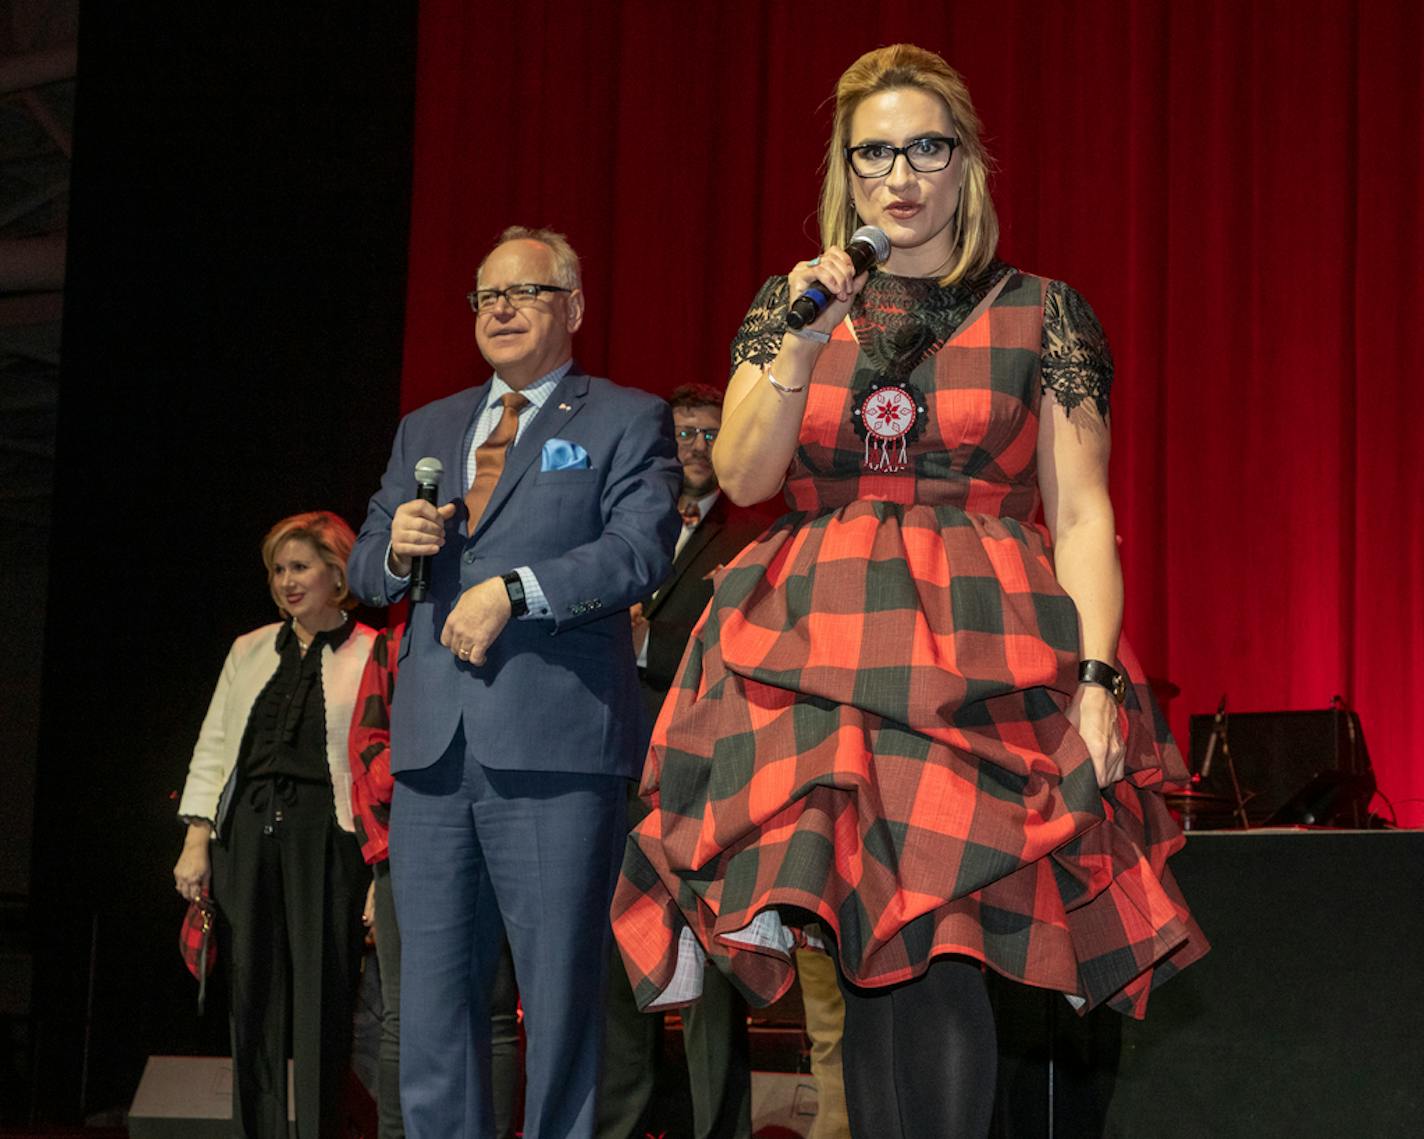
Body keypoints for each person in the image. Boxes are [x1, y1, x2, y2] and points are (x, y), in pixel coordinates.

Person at [613, 44, 1208, 1138]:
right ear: (844, 172)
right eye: (873, 151)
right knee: (873, 960)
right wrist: (794, 336)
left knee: (936, 945)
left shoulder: (1044, 310)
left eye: (925, 147)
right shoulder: (787, 305)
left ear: (966, 162)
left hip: (979, 646)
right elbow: (744, 477)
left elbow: (1079, 515)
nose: (901, 173)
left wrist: (1091, 677)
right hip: (817, 645)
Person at [347, 226, 681, 1139]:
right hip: (431, 752)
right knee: (430, 1006)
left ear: (571, 308)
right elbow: (367, 568)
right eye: (485, 295)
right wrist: (392, 550)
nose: (498, 309)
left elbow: (639, 549)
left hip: (557, 748)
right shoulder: (430, 425)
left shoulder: (624, 416)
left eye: (523, 292)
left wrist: (516, 590)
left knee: (563, 998)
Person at [173, 511, 377, 1138]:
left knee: (323, 995)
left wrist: (379, 867)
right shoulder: (249, 648)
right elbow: (213, 745)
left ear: (337, 572)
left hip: (329, 834)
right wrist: (196, 839)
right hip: (250, 828)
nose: (287, 581)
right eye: (278, 570)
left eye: (301, 567)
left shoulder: (374, 648)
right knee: (252, 997)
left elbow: (379, 764)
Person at [598, 384, 766, 1139]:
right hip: (614, 767)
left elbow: (747, 650)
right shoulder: (615, 521)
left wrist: (641, 643)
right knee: (614, 967)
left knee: (713, 986)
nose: (696, 446)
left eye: (710, 432)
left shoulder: (757, 536)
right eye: (683, 432)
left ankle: (715, 1130)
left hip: (707, 779)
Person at [347, 624, 522, 1139]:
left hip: (499, 831)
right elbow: (365, 750)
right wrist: (388, 850)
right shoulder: (396, 638)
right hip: (409, 837)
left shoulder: (509, 617)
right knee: (407, 1013)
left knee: (493, 1010)